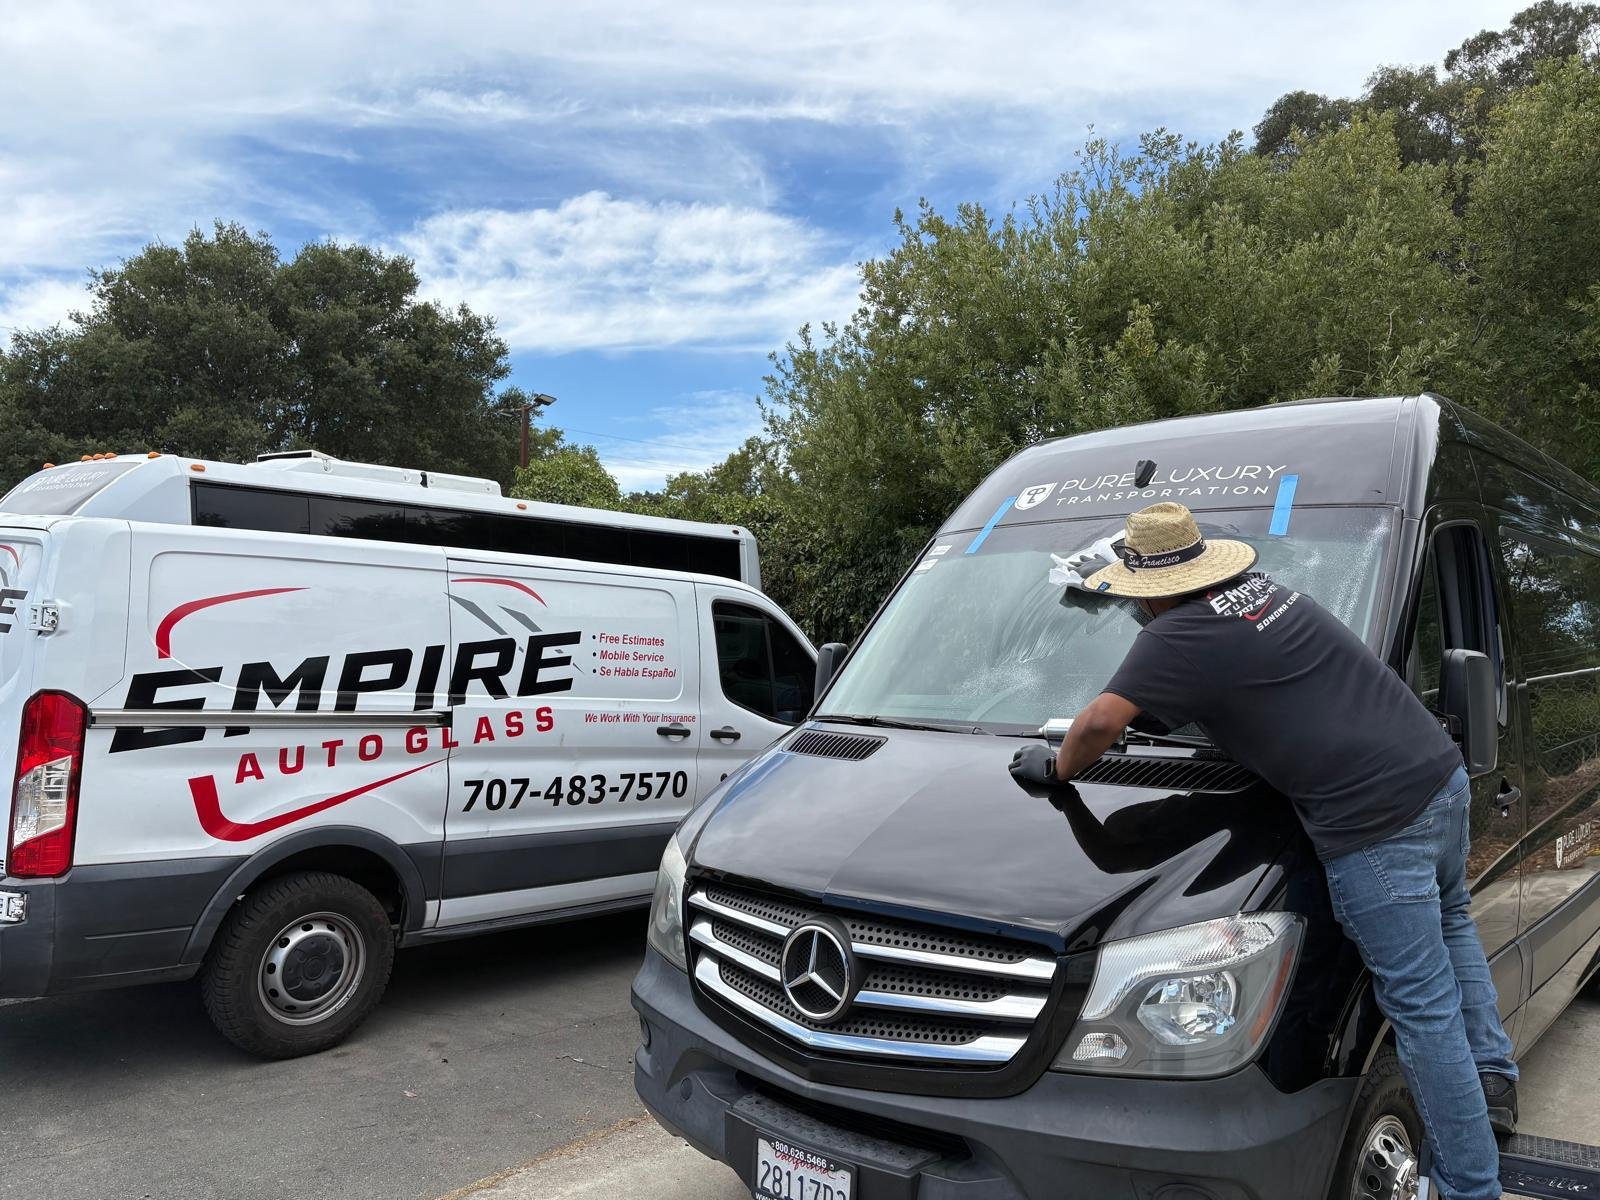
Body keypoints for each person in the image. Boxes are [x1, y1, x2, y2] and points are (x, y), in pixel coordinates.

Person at [1009, 501, 1517, 1200]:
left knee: (1420, 1010)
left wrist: (1057, 767)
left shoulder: (1175, 635)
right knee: (1454, 929)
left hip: (1374, 828)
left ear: (1149, 591)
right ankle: (1494, 1082)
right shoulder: (1265, 594)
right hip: (1439, 780)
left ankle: (1469, 1185)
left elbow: (1099, 723)